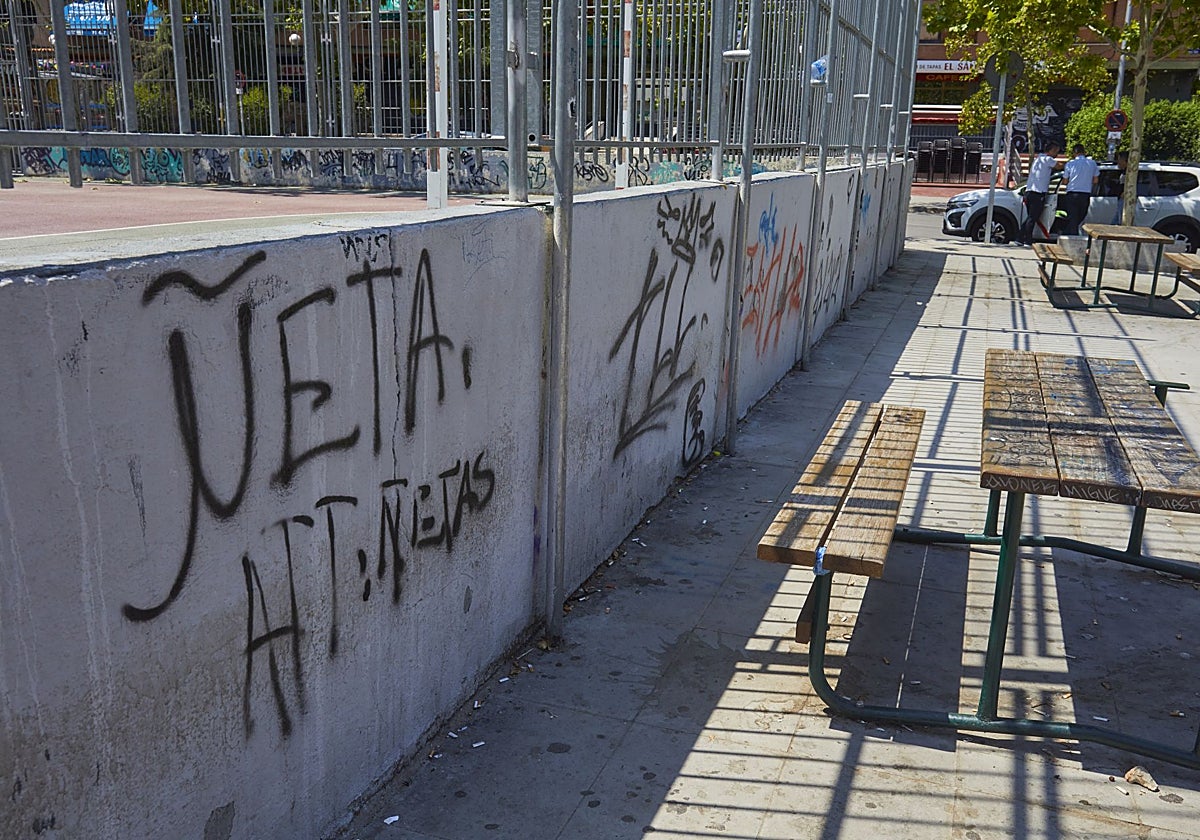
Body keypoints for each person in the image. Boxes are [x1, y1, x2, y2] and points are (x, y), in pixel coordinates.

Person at [1016, 142, 1062, 246]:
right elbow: (1059, 166)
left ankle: (1020, 238)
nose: (1057, 154)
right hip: (1038, 193)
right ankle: (1027, 240)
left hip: (1029, 192)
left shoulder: (1039, 159)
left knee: (1030, 217)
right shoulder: (1048, 159)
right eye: (1056, 151)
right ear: (1051, 150)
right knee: (1033, 217)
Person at [1061, 144, 1100, 235]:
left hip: (1072, 193)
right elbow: (1095, 180)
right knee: (1080, 217)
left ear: (1074, 153)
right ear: (1084, 152)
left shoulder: (1070, 164)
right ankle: (1068, 233)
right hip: (1085, 194)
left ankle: (1070, 235)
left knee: (1073, 218)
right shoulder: (1092, 163)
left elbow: (1065, 181)